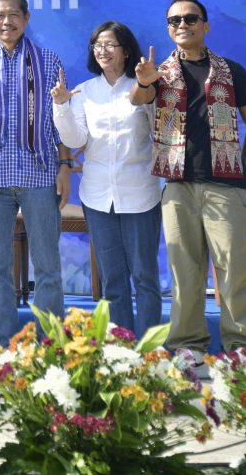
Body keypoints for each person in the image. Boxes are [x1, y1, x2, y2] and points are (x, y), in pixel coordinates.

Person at [132, 0, 246, 366]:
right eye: (174, 21)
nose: (182, 26)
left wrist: (239, 167)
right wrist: (143, 82)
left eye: (191, 19)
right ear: (168, 29)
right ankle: (188, 347)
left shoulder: (232, 71)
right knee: (183, 271)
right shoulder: (158, 74)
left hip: (226, 186)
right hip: (177, 187)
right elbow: (136, 98)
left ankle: (242, 350)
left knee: (235, 270)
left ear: (205, 26)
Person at [0, 0, 71, 348]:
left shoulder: (48, 60)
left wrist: (65, 165)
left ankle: (50, 349)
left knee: (48, 267)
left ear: (26, 19)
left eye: (13, 15)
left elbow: (60, 120)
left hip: (39, 175)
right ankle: (6, 349)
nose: (6, 21)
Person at [52, 21, 163, 337]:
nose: (102, 50)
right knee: (113, 278)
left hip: (140, 193)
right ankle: (123, 350)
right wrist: (61, 107)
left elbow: (159, 127)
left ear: (126, 50)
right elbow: (75, 140)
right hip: (98, 196)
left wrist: (147, 87)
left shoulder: (143, 86)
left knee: (145, 276)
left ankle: (150, 352)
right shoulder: (86, 92)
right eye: (97, 45)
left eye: (109, 44)